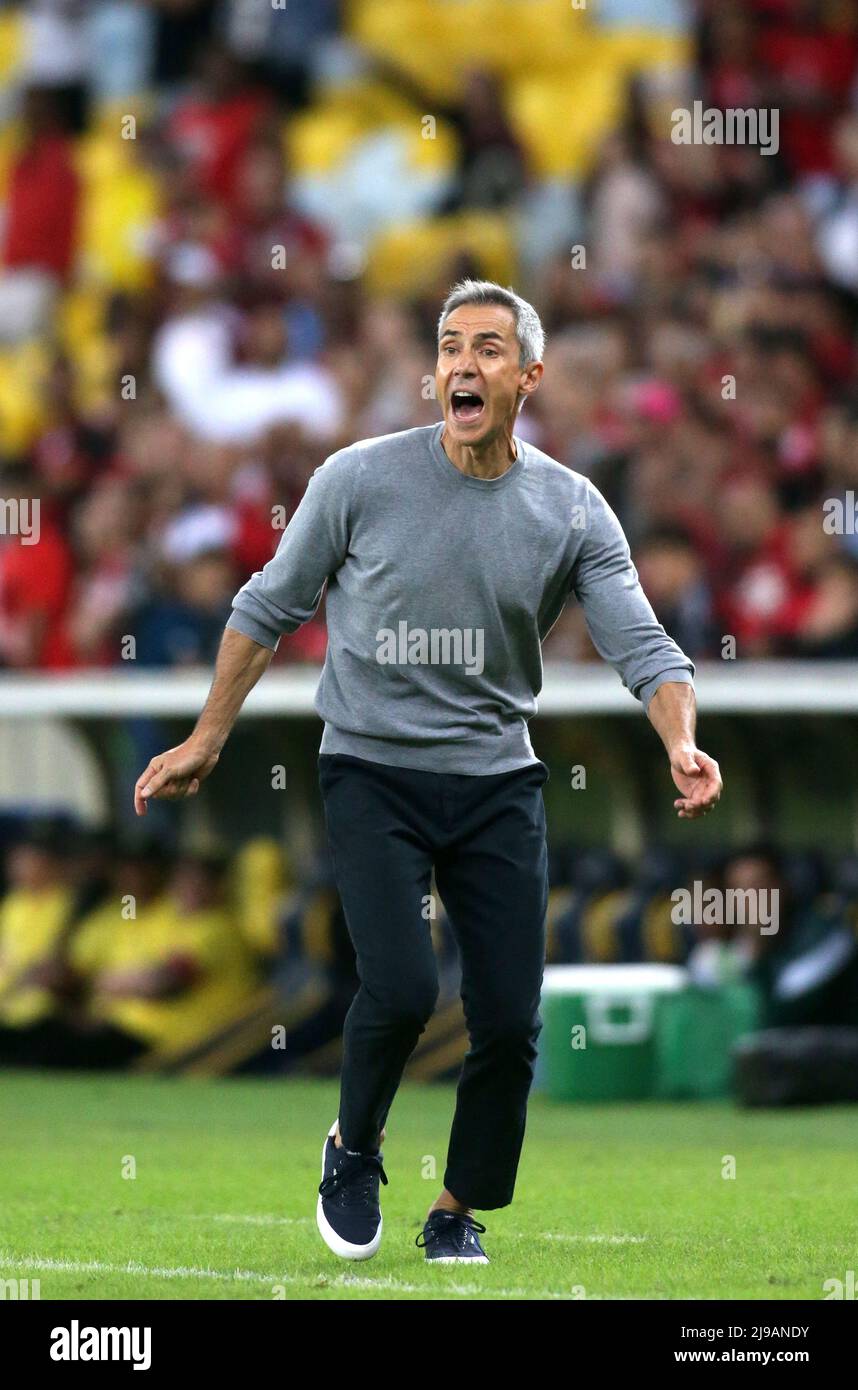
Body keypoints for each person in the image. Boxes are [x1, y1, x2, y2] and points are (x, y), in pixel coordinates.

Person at [133, 279, 722, 1265]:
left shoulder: (571, 508)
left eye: (489, 349)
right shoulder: (357, 478)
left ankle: (456, 1205)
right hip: (371, 767)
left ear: (528, 377)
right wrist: (206, 736)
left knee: (507, 1016)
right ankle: (353, 1147)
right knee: (402, 984)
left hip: (498, 780)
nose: (463, 363)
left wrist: (678, 739)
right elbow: (267, 603)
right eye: (450, 345)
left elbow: (647, 648)